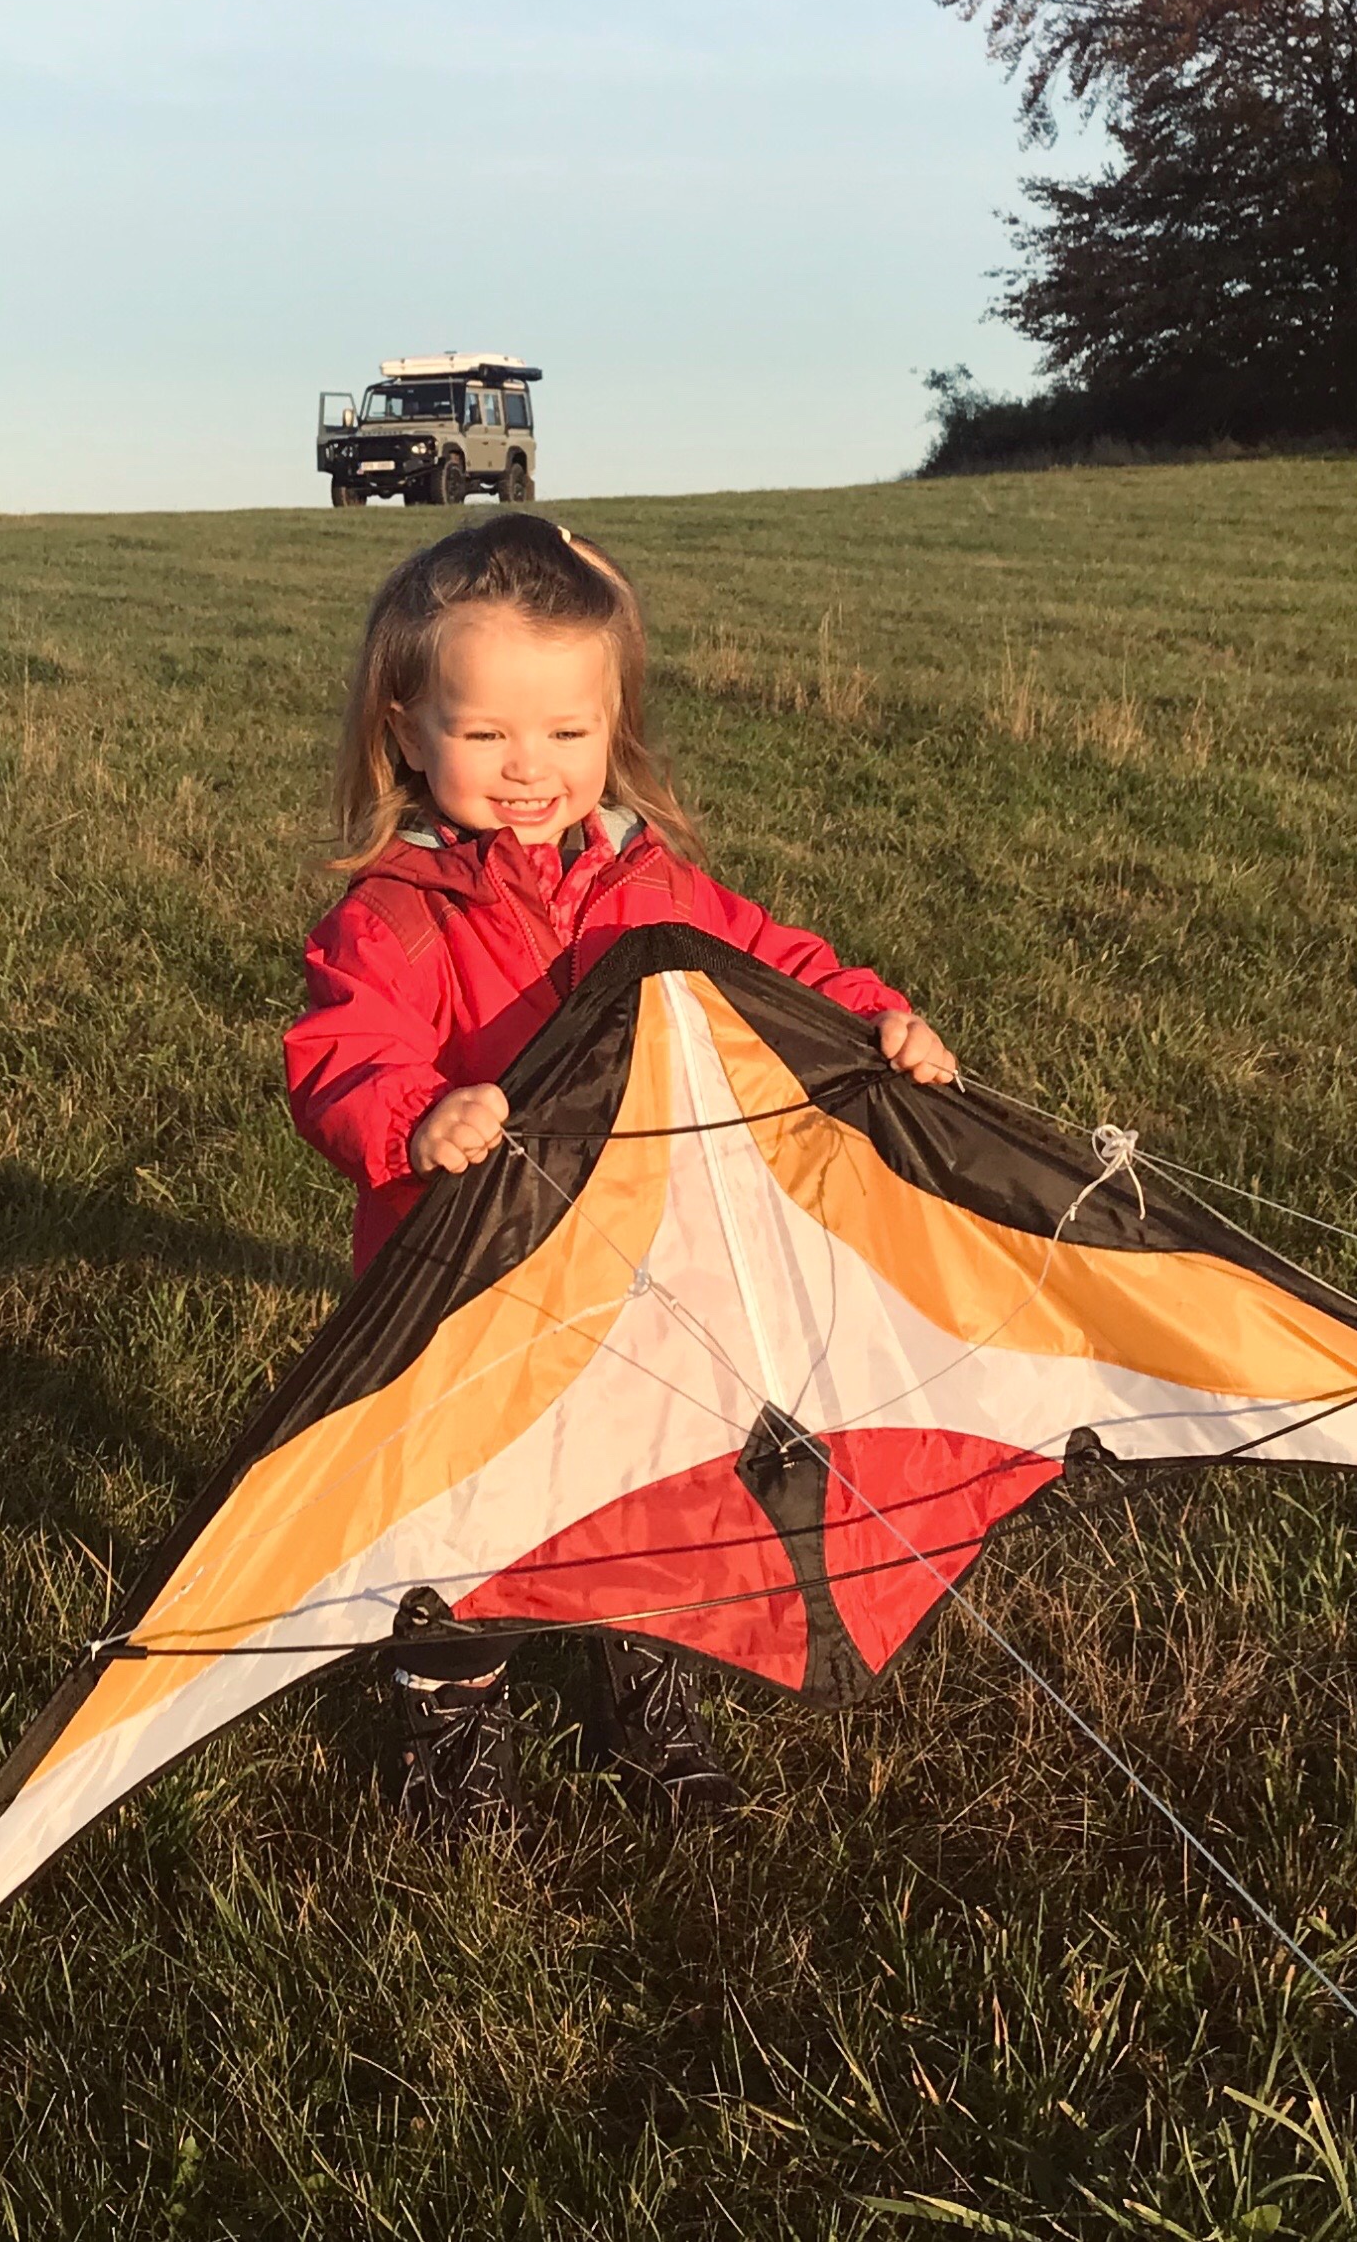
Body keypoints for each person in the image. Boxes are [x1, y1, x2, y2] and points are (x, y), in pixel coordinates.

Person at [285, 513, 957, 1832]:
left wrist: (875, 1015)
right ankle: (452, 1721)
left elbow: (780, 966)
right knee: (464, 1513)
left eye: (565, 731)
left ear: (613, 729)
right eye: (486, 733)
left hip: (644, 1272)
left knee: (645, 1483)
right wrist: (414, 1114)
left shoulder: (651, 881)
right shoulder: (397, 911)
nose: (528, 767)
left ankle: (639, 1676)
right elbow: (337, 1054)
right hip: (472, 1291)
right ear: (408, 729)